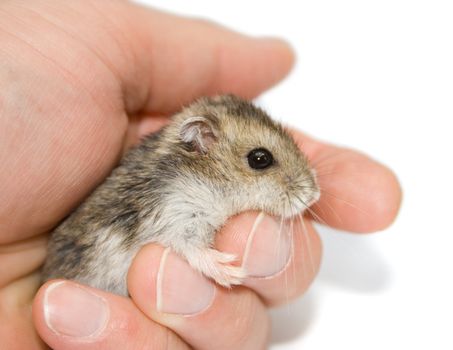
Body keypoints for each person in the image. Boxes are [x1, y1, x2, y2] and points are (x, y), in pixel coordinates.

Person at [0, 1, 401, 349]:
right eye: (260, 160)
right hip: (78, 276)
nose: (305, 188)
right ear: (200, 141)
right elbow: (168, 231)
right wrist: (200, 257)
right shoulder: (170, 184)